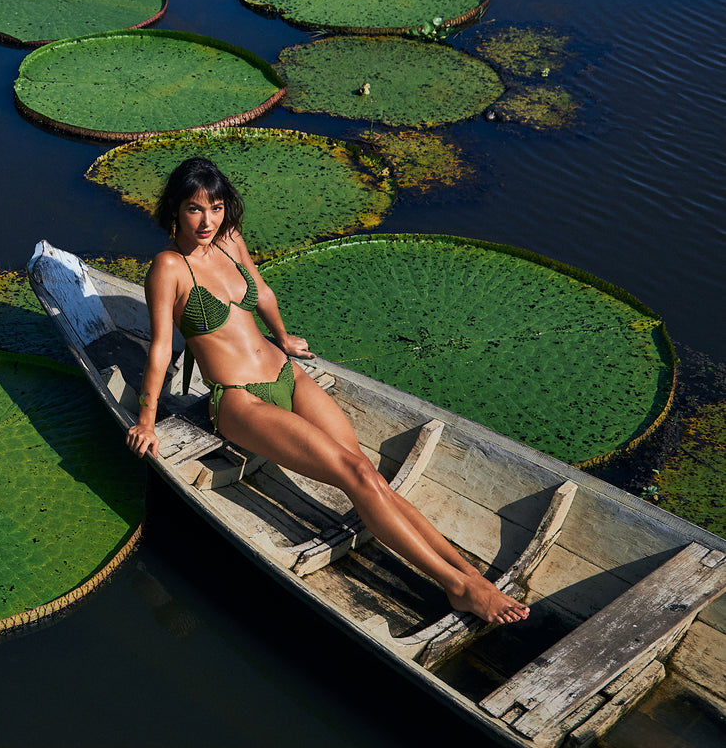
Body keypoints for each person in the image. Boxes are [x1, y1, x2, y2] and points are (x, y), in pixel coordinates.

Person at [127, 157, 528, 625]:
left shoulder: (230, 240)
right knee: (356, 474)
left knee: (369, 476)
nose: (208, 221)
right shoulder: (168, 267)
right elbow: (159, 350)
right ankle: (458, 586)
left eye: (216, 208)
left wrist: (282, 336)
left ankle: (468, 572)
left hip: (285, 375)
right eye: (195, 209)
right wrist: (146, 421)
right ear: (175, 209)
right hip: (240, 399)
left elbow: (262, 291)